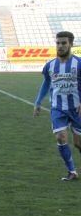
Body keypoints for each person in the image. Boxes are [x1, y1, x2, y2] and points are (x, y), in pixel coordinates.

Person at [34, 31, 81, 181]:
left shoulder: (78, 63)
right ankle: (72, 172)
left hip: (77, 109)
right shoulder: (50, 65)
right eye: (58, 43)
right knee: (61, 137)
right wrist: (38, 101)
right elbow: (46, 83)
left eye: (63, 43)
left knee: (78, 143)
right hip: (58, 108)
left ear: (71, 44)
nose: (60, 46)